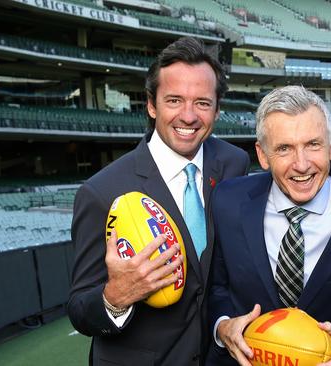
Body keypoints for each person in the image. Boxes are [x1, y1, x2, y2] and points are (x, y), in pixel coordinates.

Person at [68, 36, 249, 365]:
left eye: (203, 103)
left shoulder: (234, 163)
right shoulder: (102, 192)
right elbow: (80, 309)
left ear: (217, 110)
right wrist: (114, 298)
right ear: (152, 105)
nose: (189, 116)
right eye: (175, 100)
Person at [206, 86, 331, 366]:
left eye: (313, 144)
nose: (301, 164)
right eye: (284, 148)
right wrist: (223, 327)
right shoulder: (228, 201)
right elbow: (216, 288)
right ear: (262, 155)